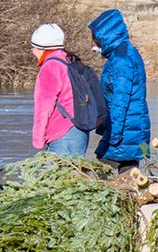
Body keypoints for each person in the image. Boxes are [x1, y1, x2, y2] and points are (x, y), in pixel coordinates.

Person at [89, 9, 150, 173]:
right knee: (128, 169)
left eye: (96, 37)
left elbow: (120, 100)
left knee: (102, 166)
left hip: (126, 128)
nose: (95, 42)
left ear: (106, 35)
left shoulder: (121, 59)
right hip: (132, 125)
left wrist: (114, 134)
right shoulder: (124, 53)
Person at [29, 23, 89, 157]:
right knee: (76, 174)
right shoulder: (68, 61)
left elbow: (43, 106)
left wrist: (38, 140)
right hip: (79, 129)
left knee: (55, 175)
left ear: (42, 48)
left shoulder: (50, 67)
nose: (32, 52)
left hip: (62, 133)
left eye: (33, 48)